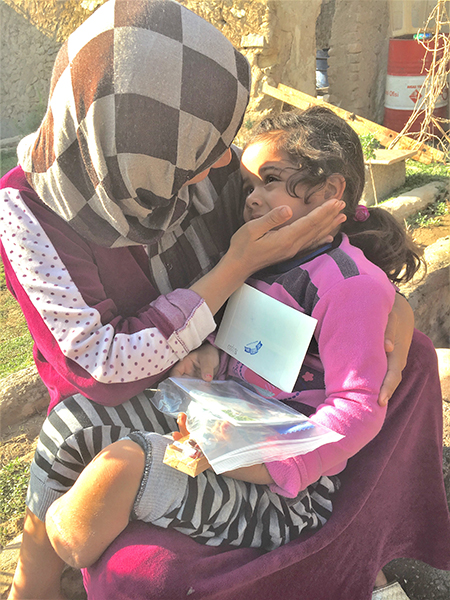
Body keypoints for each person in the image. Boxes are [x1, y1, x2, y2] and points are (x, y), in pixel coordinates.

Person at [0, 1, 434, 598]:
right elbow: (100, 367)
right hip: (133, 388)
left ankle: (362, 546)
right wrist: (233, 271)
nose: (227, 165)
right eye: (214, 151)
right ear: (137, 146)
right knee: (93, 462)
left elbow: (323, 218)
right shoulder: (28, 215)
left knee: (415, 358)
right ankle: (40, 583)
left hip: (248, 413)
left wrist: (388, 297)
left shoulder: (191, 157)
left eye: (230, 147)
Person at [43, 106, 424, 572]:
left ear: (329, 191)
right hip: (226, 419)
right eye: (249, 187)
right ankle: (46, 569)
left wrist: (268, 466)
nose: (252, 198)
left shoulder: (350, 287)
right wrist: (210, 358)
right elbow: (248, 351)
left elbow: (359, 408)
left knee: (124, 468)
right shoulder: (264, 258)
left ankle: (68, 556)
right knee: (73, 417)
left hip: (286, 493)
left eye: (271, 180)